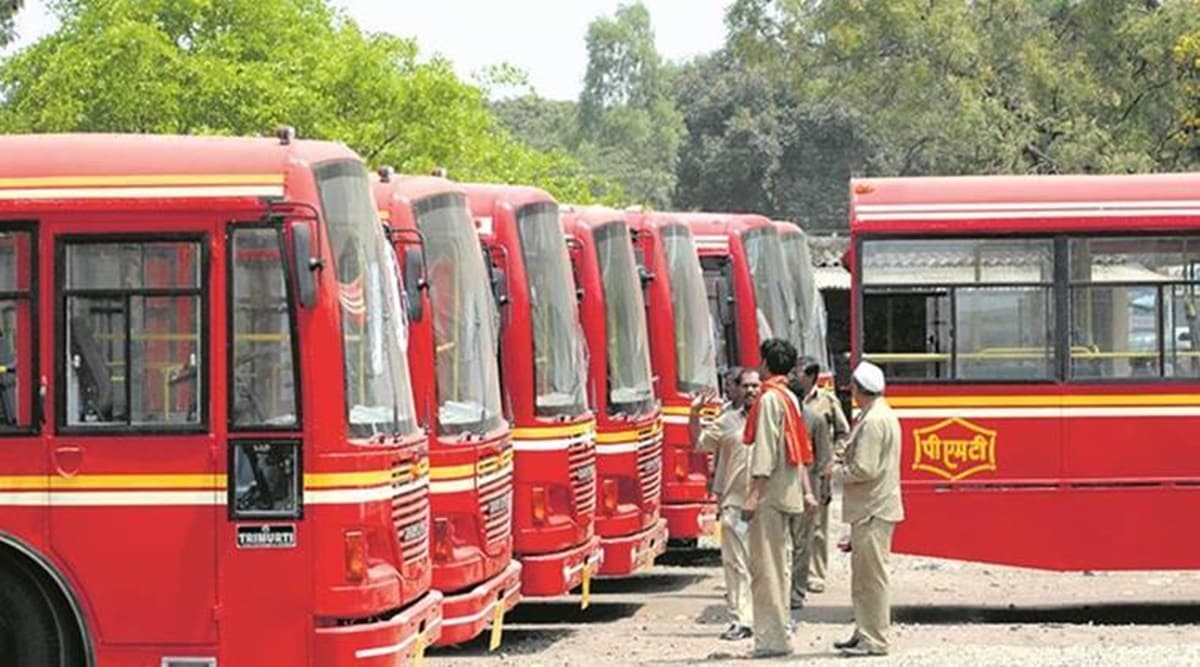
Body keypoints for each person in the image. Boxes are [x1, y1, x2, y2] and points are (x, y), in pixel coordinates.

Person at [742, 339, 817, 658]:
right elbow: (797, 450)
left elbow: (766, 451)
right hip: (787, 491)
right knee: (781, 565)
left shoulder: (771, 398)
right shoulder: (790, 396)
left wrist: (752, 495)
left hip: (770, 494)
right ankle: (780, 630)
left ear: (765, 364)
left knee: (766, 568)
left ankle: (771, 639)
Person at [825, 361, 904, 657]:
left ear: (859, 389)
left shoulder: (873, 421)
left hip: (873, 508)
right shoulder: (881, 414)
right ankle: (864, 631)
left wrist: (835, 471)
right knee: (864, 577)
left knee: (871, 579)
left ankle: (874, 639)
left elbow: (865, 468)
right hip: (872, 508)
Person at [690, 367, 760, 641]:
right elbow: (698, 443)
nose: (752, 391)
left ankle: (770, 618)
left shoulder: (771, 417)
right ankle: (741, 620)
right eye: (746, 386)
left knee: (767, 565)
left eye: (756, 386)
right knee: (736, 564)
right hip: (735, 503)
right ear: (738, 390)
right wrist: (694, 413)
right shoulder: (728, 421)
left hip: (766, 504)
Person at [788, 358, 849, 598]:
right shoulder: (788, 399)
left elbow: (843, 432)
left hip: (816, 470)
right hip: (792, 470)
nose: (794, 376)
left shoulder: (827, 401)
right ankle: (793, 575)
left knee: (817, 527)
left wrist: (833, 458)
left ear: (811, 376)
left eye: (799, 372)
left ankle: (815, 574)